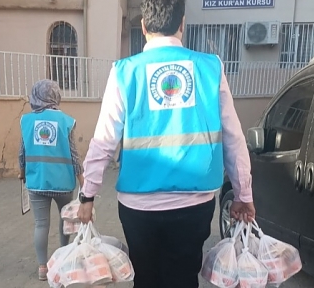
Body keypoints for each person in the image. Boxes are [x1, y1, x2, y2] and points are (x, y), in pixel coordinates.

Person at [76, 0, 256, 287]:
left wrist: (87, 196)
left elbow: (103, 140)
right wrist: (243, 194)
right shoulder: (210, 68)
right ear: (182, 24)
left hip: (138, 207)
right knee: (183, 279)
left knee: (146, 279)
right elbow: (233, 136)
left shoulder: (124, 71)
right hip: (194, 204)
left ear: (144, 26)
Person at [18, 79, 84, 281]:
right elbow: (74, 155)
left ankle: (42, 268)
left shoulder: (26, 121)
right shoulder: (66, 121)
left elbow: (22, 152)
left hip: (36, 181)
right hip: (63, 182)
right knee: (65, 222)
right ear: (56, 95)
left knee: (41, 224)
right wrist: (83, 180)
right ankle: (63, 260)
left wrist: (22, 172)